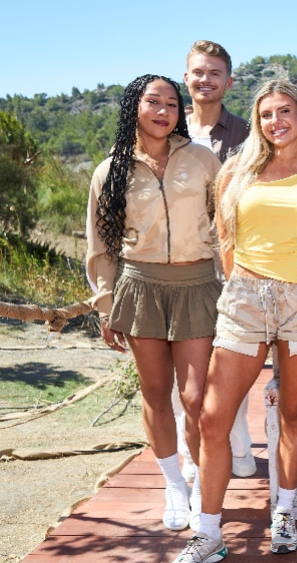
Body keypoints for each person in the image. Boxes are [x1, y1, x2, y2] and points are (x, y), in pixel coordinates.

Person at [171, 79, 297, 562]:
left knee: (293, 412)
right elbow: (226, 241)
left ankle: (284, 513)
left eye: (286, 111)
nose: (276, 121)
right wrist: (246, 286)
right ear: (257, 121)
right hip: (244, 302)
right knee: (212, 417)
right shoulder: (235, 172)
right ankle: (209, 533)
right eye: (267, 114)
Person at [86, 75, 222, 533]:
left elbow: (226, 224)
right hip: (140, 286)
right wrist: (105, 305)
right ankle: (174, 485)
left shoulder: (202, 159)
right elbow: (101, 245)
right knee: (156, 393)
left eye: (171, 103)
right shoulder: (110, 171)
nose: (164, 111)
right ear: (135, 107)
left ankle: (199, 479)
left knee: (196, 397)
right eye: (153, 102)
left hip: (197, 284)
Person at [173, 39, 256, 485]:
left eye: (214, 73)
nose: (205, 80)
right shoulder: (166, 127)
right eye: (198, 72)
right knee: (183, 371)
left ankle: (237, 446)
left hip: (229, 263)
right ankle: (191, 454)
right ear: (186, 77)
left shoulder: (245, 133)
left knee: (228, 360)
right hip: (178, 263)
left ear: (229, 81)